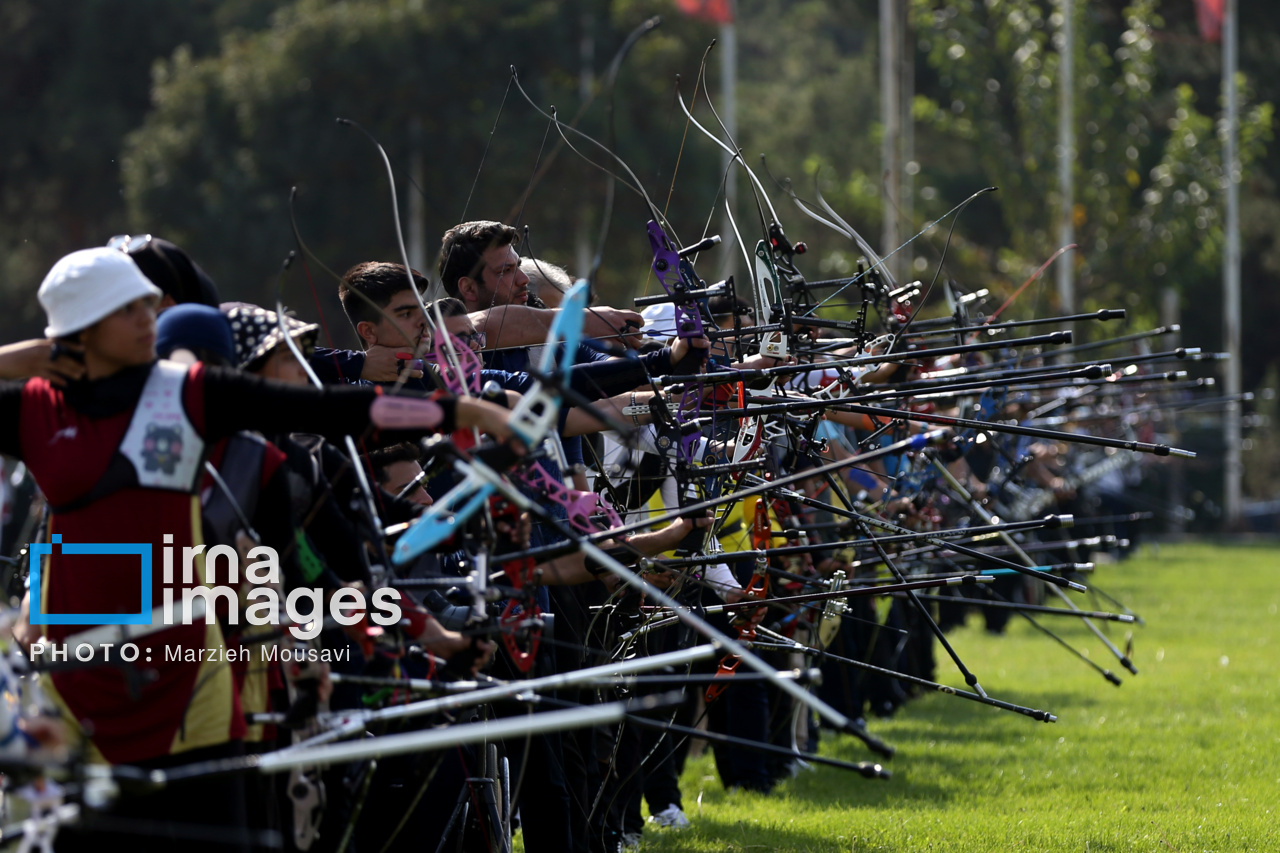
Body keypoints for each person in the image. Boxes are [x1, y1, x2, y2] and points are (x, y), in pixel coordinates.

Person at [6, 248, 512, 850]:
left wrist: (451, 408)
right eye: (127, 309)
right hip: (77, 667)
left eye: (149, 304)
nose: (149, 318)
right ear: (80, 330)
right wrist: (26, 357)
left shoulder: (184, 391)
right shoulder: (35, 406)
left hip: (188, 672)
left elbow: (334, 409)